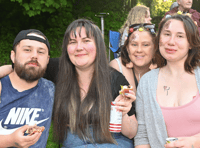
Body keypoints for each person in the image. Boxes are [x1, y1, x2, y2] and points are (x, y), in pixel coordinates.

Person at [52, 19, 137, 147]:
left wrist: (124, 112)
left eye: (86, 41)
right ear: (66, 49)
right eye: (73, 42)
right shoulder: (56, 71)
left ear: (98, 46)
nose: (79, 47)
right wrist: (10, 67)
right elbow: (25, 66)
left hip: (111, 141)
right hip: (73, 141)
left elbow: (131, 133)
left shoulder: (115, 79)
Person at [134, 14, 200, 148]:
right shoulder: (146, 82)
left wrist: (194, 142)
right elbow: (142, 135)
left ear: (191, 43)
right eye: (167, 34)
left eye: (180, 36)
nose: (171, 42)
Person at [0, 29, 55, 147]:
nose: (34, 55)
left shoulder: (51, 90)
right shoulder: (1, 87)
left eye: (41, 52)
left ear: (47, 60)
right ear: (13, 55)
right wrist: (10, 140)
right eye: (27, 50)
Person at [109, 23, 156, 92]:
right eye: (134, 44)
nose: (139, 50)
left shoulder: (163, 69)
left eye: (145, 45)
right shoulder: (117, 67)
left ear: (155, 48)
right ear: (127, 47)